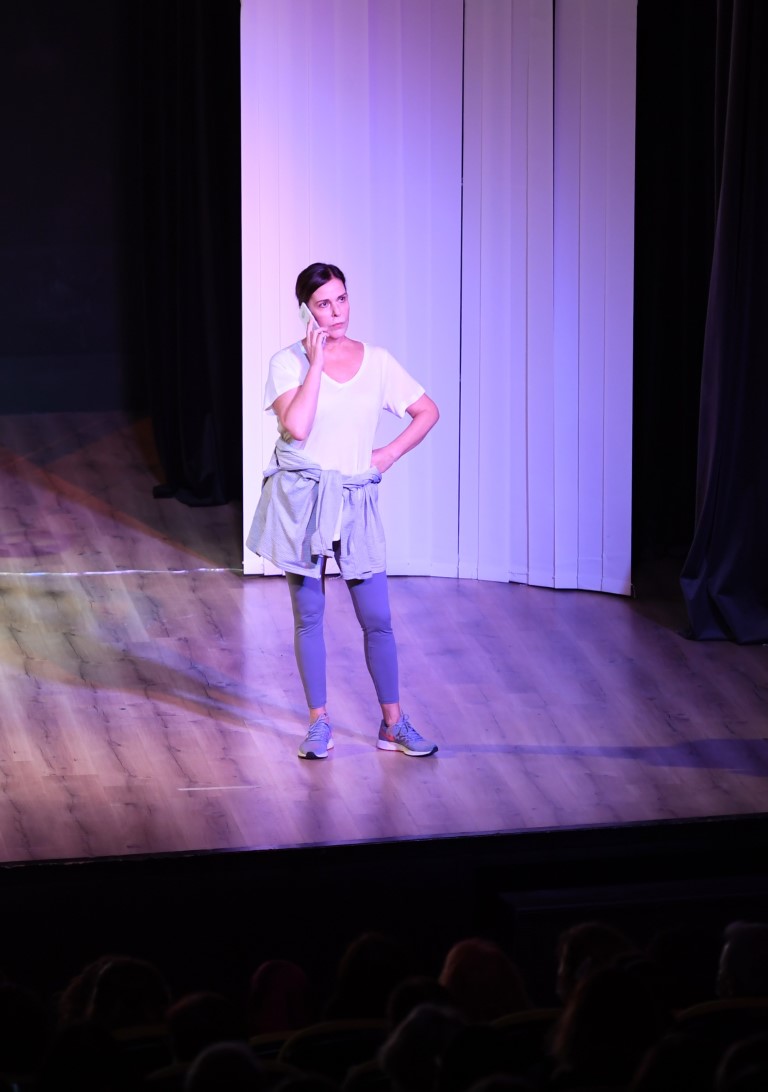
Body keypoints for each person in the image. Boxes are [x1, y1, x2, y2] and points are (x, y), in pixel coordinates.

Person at [247, 262, 439, 760]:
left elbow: (427, 411)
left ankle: (393, 724)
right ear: (305, 312)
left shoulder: (377, 361)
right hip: (303, 500)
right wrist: (314, 364)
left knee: (378, 618)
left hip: (353, 499)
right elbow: (299, 427)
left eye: (341, 299)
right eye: (323, 304)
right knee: (309, 616)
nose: (335, 312)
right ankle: (319, 723)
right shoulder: (287, 363)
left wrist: (387, 455)